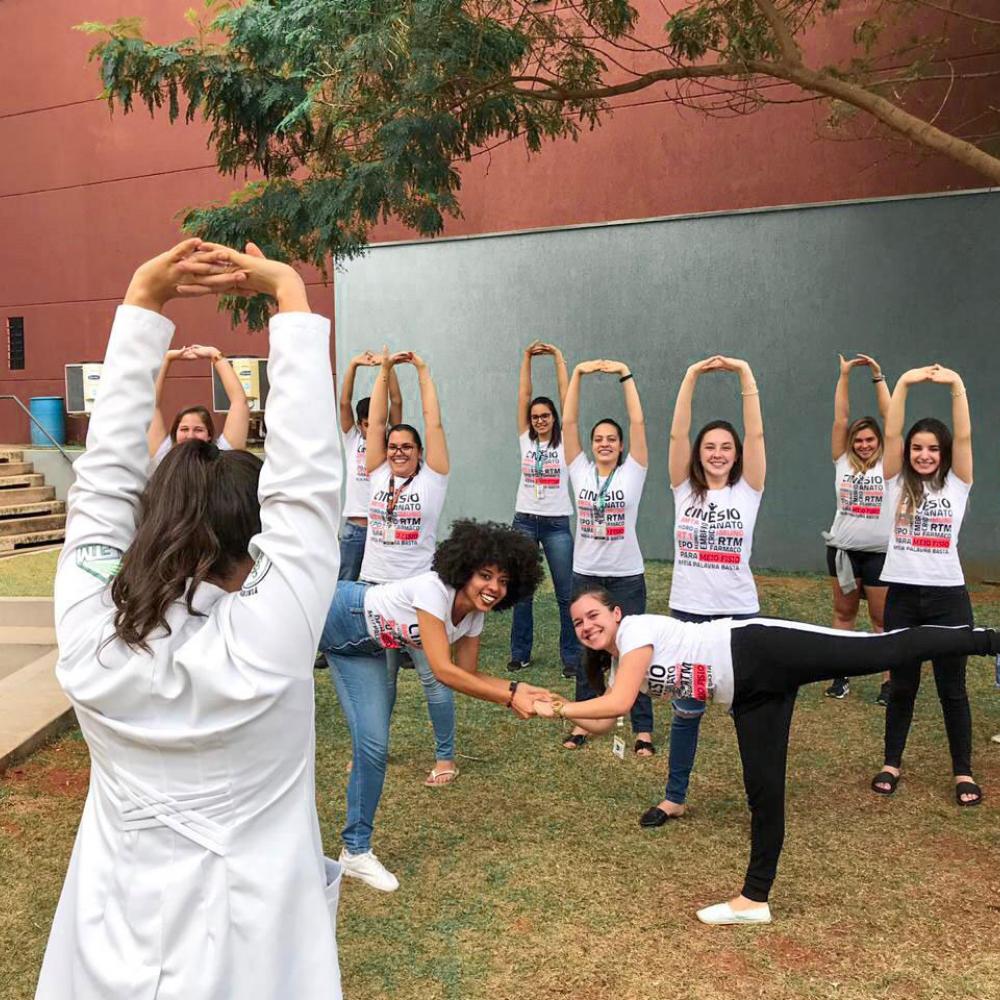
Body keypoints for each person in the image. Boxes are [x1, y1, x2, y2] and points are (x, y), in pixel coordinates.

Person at [38, 239, 344, 998]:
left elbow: (100, 496)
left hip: (104, 959)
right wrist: (292, 305)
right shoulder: (269, 648)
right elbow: (306, 495)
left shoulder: (88, 641)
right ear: (251, 550)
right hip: (257, 965)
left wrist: (143, 304)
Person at [538, 588, 1000, 924]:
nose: (587, 626)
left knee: (880, 649)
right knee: (763, 792)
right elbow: (600, 721)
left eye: (593, 615)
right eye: (578, 623)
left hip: (760, 648)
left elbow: (616, 705)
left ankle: (989, 642)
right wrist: (549, 710)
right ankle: (754, 900)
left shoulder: (636, 631)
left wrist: (559, 705)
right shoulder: (621, 666)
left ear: (616, 613)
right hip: (749, 696)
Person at [321, 519, 552, 891]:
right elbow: (444, 671)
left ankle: (355, 851)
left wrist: (518, 687)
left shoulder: (474, 615)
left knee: (374, 747)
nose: (493, 588)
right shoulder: (434, 590)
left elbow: (469, 674)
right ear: (465, 569)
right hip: (334, 612)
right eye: (485, 575)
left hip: (363, 651)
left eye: (503, 581)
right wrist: (510, 696)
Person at [641, 355, 765, 828]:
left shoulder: (748, 490)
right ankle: (675, 797)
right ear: (698, 453)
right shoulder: (683, 490)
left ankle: (759, 799)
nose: (717, 453)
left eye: (725, 447)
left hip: (740, 619)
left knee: (748, 711)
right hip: (690, 617)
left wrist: (744, 376)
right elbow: (675, 435)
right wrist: (689, 376)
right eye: (709, 446)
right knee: (688, 708)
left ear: (736, 454)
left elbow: (756, 435)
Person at [872, 364, 982, 805]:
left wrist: (956, 384)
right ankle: (890, 762)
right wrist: (903, 384)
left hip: (948, 599)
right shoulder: (895, 483)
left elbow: (967, 437)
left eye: (932, 449)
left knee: (951, 689)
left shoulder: (957, 485)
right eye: (917, 448)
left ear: (944, 453)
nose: (923, 455)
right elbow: (892, 431)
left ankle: (963, 772)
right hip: (903, 597)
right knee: (902, 685)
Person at [351, 348, 459, 786]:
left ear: (418, 453)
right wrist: (382, 372)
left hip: (418, 594)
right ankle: (371, 752)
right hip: (374, 589)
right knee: (380, 683)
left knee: (434, 679)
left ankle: (446, 758)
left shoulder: (434, 478)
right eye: (393, 446)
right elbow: (376, 423)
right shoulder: (377, 474)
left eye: (406, 447)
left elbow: (433, 423)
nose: (397, 451)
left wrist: (422, 372)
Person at [559, 357, 655, 756]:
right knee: (590, 650)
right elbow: (567, 425)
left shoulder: (633, 471)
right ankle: (584, 721)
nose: (603, 443)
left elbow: (638, 424)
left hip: (627, 577)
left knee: (636, 649)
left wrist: (625, 376)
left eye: (611, 439)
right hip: (587, 575)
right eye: (598, 438)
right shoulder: (580, 470)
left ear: (620, 446)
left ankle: (643, 729)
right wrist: (577, 376)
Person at [823, 353, 892, 702]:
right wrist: (845, 376)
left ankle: (887, 682)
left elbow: (891, 417)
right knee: (844, 614)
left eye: (870, 439)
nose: (863, 444)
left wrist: (878, 376)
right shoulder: (843, 462)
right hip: (844, 553)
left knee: (882, 620)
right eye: (858, 440)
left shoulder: (890, 465)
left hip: (880, 555)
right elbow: (840, 418)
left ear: (880, 441)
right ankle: (840, 677)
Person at [509, 340, 577, 678]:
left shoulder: (565, 441)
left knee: (566, 594)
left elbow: (569, 399)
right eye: (535, 417)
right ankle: (520, 654)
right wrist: (526, 359)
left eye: (545, 416)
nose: (539, 420)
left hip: (556, 524)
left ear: (554, 419)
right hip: (524, 521)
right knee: (522, 591)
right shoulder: (526, 440)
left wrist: (557, 358)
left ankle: (572, 658)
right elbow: (523, 397)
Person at [337, 351, 402, 581]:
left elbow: (396, 402)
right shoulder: (352, 439)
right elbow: (344, 402)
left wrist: (388, 367)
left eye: (378, 423)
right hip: (355, 528)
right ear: (359, 424)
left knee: (378, 587)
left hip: (381, 528)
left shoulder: (391, 441)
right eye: (367, 424)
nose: (373, 428)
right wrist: (353, 364)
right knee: (345, 585)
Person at [147, 342, 250, 468]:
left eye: (198, 430)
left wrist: (215, 354)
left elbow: (239, 402)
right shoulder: (164, 457)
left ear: (209, 435)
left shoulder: (222, 457)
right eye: (184, 429)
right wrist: (167, 358)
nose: (190, 436)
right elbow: (151, 405)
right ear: (175, 433)